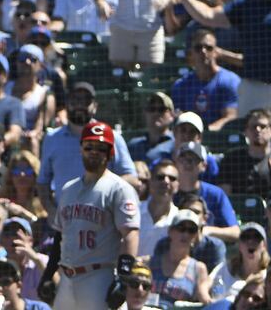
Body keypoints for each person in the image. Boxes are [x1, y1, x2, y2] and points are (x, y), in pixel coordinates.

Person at [43, 121, 140, 310]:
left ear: (110, 152)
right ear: (81, 149)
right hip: (66, 278)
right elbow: (59, 236)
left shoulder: (119, 188)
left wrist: (123, 278)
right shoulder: (68, 189)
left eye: (101, 148)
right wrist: (48, 274)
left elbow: (130, 234)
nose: (94, 152)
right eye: (89, 146)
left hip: (99, 276)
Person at [38, 82, 138, 219]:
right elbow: (43, 183)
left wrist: (99, 189)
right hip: (65, 222)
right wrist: (52, 212)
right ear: (66, 104)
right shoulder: (52, 138)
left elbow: (131, 178)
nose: (80, 105)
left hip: (103, 221)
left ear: (95, 106)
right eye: (75, 100)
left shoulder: (112, 137)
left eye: (86, 101)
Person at [171, 28, 240, 130]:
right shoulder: (181, 85)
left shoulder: (230, 81)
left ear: (216, 52)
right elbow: (178, 116)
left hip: (219, 139)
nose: (203, 52)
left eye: (209, 48)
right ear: (191, 53)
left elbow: (230, 117)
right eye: (198, 48)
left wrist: (207, 131)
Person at [174, 141, 240, 241]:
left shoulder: (215, 194)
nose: (187, 163)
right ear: (176, 163)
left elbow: (235, 232)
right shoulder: (168, 192)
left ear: (204, 166)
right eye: (183, 159)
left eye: (193, 160)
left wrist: (208, 231)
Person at [218, 109, 271, 195]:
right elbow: (225, 195)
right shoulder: (231, 159)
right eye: (253, 126)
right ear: (245, 131)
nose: (258, 130)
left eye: (263, 126)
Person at [149, 209, 213, 307]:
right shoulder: (150, 262)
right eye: (181, 228)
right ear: (170, 231)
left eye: (191, 230)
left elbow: (204, 299)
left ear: (196, 235)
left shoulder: (199, 269)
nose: (186, 234)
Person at [211, 222, 270, 302]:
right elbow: (205, 284)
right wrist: (208, 301)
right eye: (245, 237)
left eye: (256, 237)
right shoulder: (225, 268)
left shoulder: (269, 274)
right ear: (239, 245)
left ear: (264, 246)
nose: (250, 241)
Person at [138, 160, 180, 259]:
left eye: (172, 178)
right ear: (150, 182)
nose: (166, 181)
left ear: (178, 186)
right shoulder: (133, 212)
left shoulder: (178, 221)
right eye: (160, 177)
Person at [128, 92, 176, 163]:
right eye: (151, 109)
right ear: (145, 114)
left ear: (172, 115)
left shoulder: (177, 144)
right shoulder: (133, 146)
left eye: (161, 109)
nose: (156, 113)